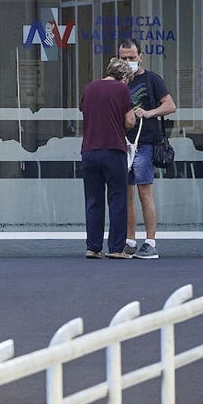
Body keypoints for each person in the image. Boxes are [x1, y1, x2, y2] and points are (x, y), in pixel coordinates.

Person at [117, 39, 177, 260]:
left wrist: (149, 113)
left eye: (132, 58)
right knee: (126, 193)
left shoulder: (151, 79)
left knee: (144, 191)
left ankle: (150, 242)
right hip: (122, 144)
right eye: (123, 58)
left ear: (140, 57)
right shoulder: (116, 82)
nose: (128, 62)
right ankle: (130, 240)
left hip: (144, 143)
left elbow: (170, 105)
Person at [79, 57, 137, 260]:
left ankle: (93, 247)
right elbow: (130, 121)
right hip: (113, 149)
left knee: (93, 199)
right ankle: (116, 248)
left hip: (89, 151)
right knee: (117, 199)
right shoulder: (121, 89)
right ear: (123, 77)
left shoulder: (88, 88)